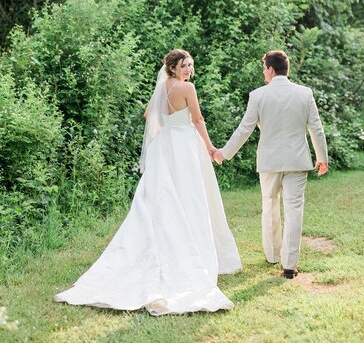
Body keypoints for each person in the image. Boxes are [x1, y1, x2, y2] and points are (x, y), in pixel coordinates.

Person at [54, 49, 241, 315]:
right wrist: (211, 148)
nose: (188, 69)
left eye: (190, 65)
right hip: (184, 146)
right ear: (173, 67)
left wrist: (164, 129)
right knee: (190, 196)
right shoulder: (187, 88)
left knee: (165, 197)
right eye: (183, 65)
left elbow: (148, 116)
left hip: (165, 147)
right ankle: (192, 249)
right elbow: (198, 119)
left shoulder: (162, 87)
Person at [213, 50, 328, 279]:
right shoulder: (305, 94)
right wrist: (322, 157)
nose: (263, 72)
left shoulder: (258, 95)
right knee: (294, 211)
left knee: (270, 206)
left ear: (271, 69)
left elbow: (244, 129)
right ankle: (289, 265)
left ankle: (273, 254)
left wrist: (224, 153)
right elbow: (316, 128)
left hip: (269, 161)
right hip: (297, 161)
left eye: (264, 68)